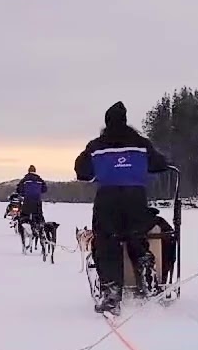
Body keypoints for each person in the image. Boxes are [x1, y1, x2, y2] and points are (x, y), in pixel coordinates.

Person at [73, 101, 172, 315]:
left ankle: (111, 292)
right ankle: (146, 274)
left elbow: (81, 171)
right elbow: (160, 164)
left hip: (107, 198)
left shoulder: (96, 145)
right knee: (137, 235)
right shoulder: (141, 143)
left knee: (106, 240)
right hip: (135, 197)